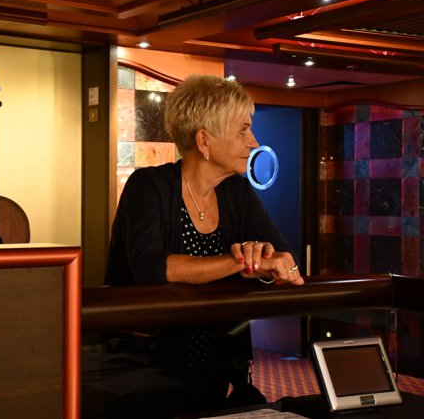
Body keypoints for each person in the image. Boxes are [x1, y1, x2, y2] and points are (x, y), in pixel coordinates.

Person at [104, 74, 303, 417]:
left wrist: (270, 263)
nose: (253, 142)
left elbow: (285, 257)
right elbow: (152, 267)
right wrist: (240, 262)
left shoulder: (237, 192)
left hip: (216, 368)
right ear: (204, 140)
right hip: (143, 374)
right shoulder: (148, 186)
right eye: (243, 131)